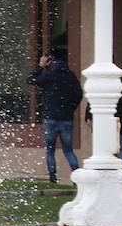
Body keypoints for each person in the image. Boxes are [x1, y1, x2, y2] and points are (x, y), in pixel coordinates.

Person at [28, 47, 84, 184]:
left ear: (50, 61)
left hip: (51, 117)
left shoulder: (49, 76)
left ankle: (52, 177)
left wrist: (40, 66)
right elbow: (78, 94)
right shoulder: (70, 76)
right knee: (68, 150)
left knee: (50, 150)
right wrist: (70, 108)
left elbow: (30, 79)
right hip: (66, 118)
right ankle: (77, 176)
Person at [84, 72, 122, 167]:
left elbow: (92, 101)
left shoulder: (100, 85)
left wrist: (88, 116)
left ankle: (106, 171)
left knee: (102, 151)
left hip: (103, 121)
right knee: (121, 150)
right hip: (120, 120)